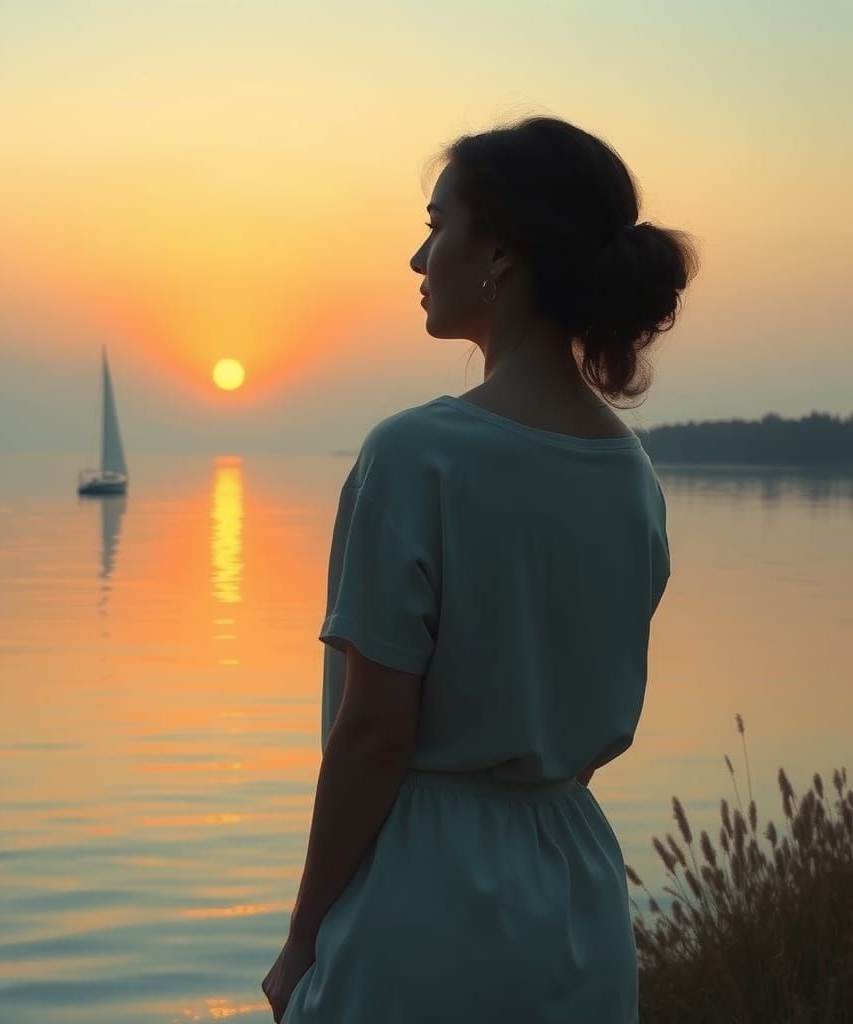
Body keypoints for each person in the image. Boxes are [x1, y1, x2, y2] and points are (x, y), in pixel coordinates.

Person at [263, 114, 699, 1023]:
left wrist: (303, 936)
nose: (419, 261)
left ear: (499, 250)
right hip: (579, 904)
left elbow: (374, 732)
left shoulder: (417, 456)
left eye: (435, 226)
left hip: (425, 906)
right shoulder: (634, 478)